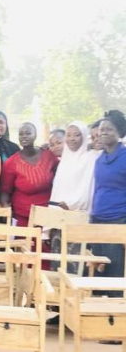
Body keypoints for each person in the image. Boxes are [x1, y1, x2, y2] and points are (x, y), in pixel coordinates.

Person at [90, 110, 126, 288]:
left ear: (119, 133)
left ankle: (114, 313)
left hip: (118, 222)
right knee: (97, 270)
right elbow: (97, 189)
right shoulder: (99, 159)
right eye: (101, 129)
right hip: (97, 220)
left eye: (109, 129)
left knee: (114, 272)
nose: (103, 132)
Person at [0, 122, 58, 227]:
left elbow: (60, 179)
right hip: (22, 216)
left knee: (44, 242)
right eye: (21, 134)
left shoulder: (49, 156)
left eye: (28, 133)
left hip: (47, 215)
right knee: (24, 243)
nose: (24, 136)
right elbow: (5, 191)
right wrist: (5, 207)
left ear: (35, 135)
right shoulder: (11, 162)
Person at [49, 121, 99, 212]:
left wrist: (69, 205)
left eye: (77, 135)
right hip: (58, 211)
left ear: (84, 136)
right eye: (68, 135)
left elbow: (87, 190)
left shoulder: (92, 157)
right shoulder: (64, 160)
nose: (72, 139)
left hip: (80, 212)